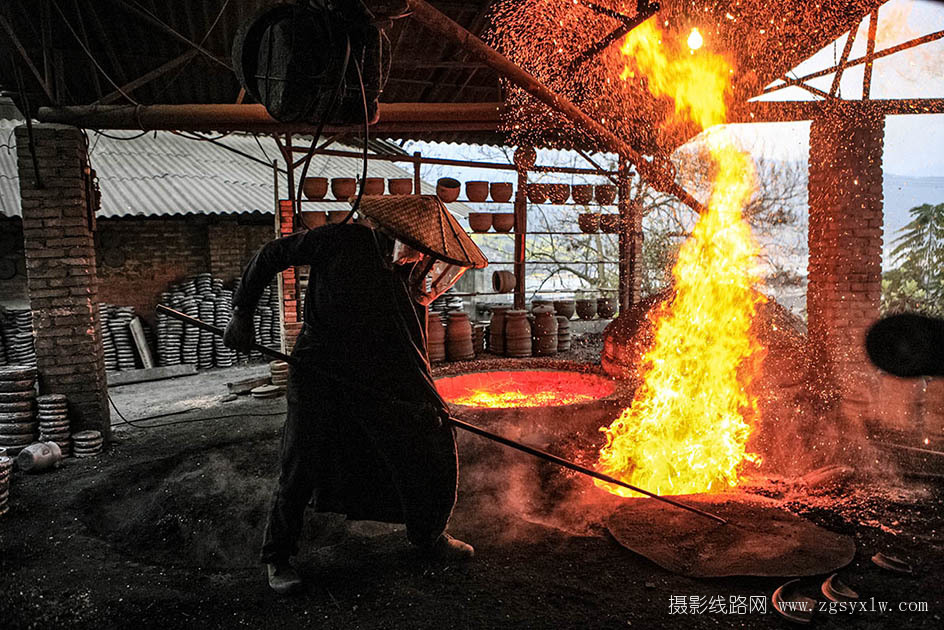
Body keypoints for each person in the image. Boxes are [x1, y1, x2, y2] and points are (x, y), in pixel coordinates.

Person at [224, 195, 488, 595]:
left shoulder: (411, 271)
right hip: (320, 367)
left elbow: (410, 338)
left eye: (425, 251)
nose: (420, 256)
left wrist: (423, 395)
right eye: (415, 247)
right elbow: (270, 254)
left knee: (430, 439)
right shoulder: (339, 240)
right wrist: (243, 312)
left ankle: (428, 536)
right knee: (302, 459)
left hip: (379, 369)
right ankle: (277, 556)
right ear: (394, 234)